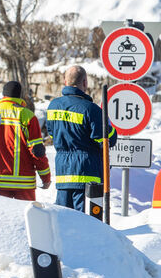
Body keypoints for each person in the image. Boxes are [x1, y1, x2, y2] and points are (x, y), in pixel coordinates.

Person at [47, 66, 117, 212]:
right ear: (85, 82)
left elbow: (52, 134)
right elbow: (107, 139)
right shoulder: (91, 109)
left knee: (63, 219)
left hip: (63, 174)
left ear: (65, 81)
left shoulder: (53, 106)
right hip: (88, 175)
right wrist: (110, 128)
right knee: (86, 223)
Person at [0, 81, 50, 200]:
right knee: (25, 217)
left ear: (3, 95)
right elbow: (37, 151)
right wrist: (45, 177)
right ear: (20, 95)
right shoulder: (27, 115)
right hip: (23, 184)